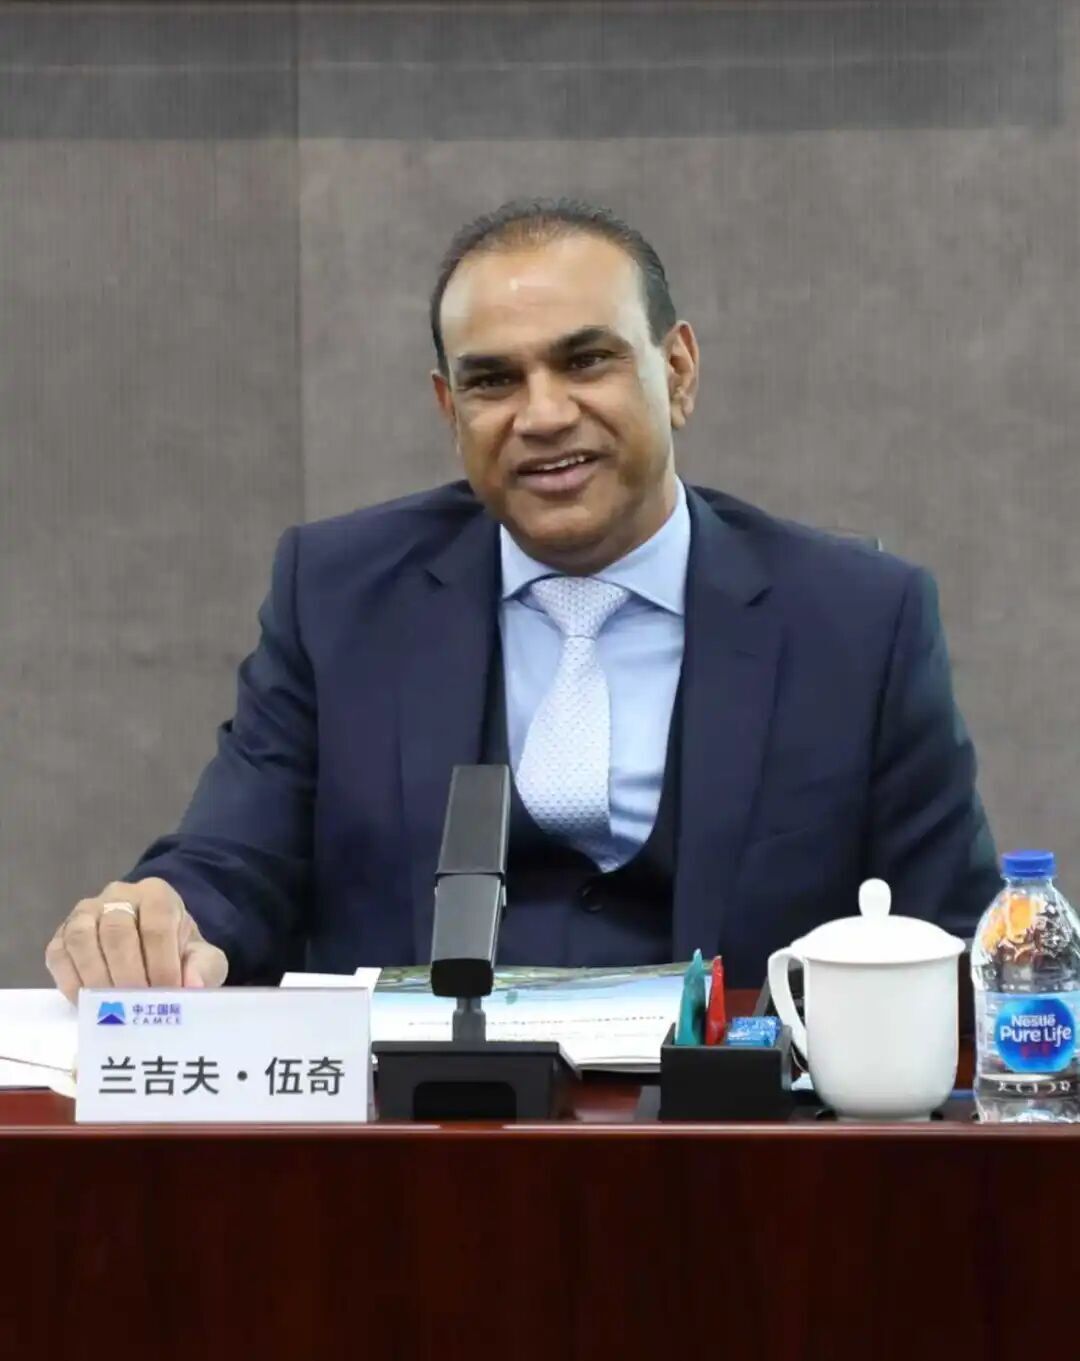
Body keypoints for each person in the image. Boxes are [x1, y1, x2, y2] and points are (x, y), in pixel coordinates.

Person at [45, 198, 999, 1000]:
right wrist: (155, 917)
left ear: (676, 371)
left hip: (738, 1136)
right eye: (494, 380)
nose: (542, 415)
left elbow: (955, 943)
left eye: (586, 361)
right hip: (414, 1134)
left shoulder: (858, 620)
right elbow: (233, 862)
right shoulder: (338, 595)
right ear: (449, 409)